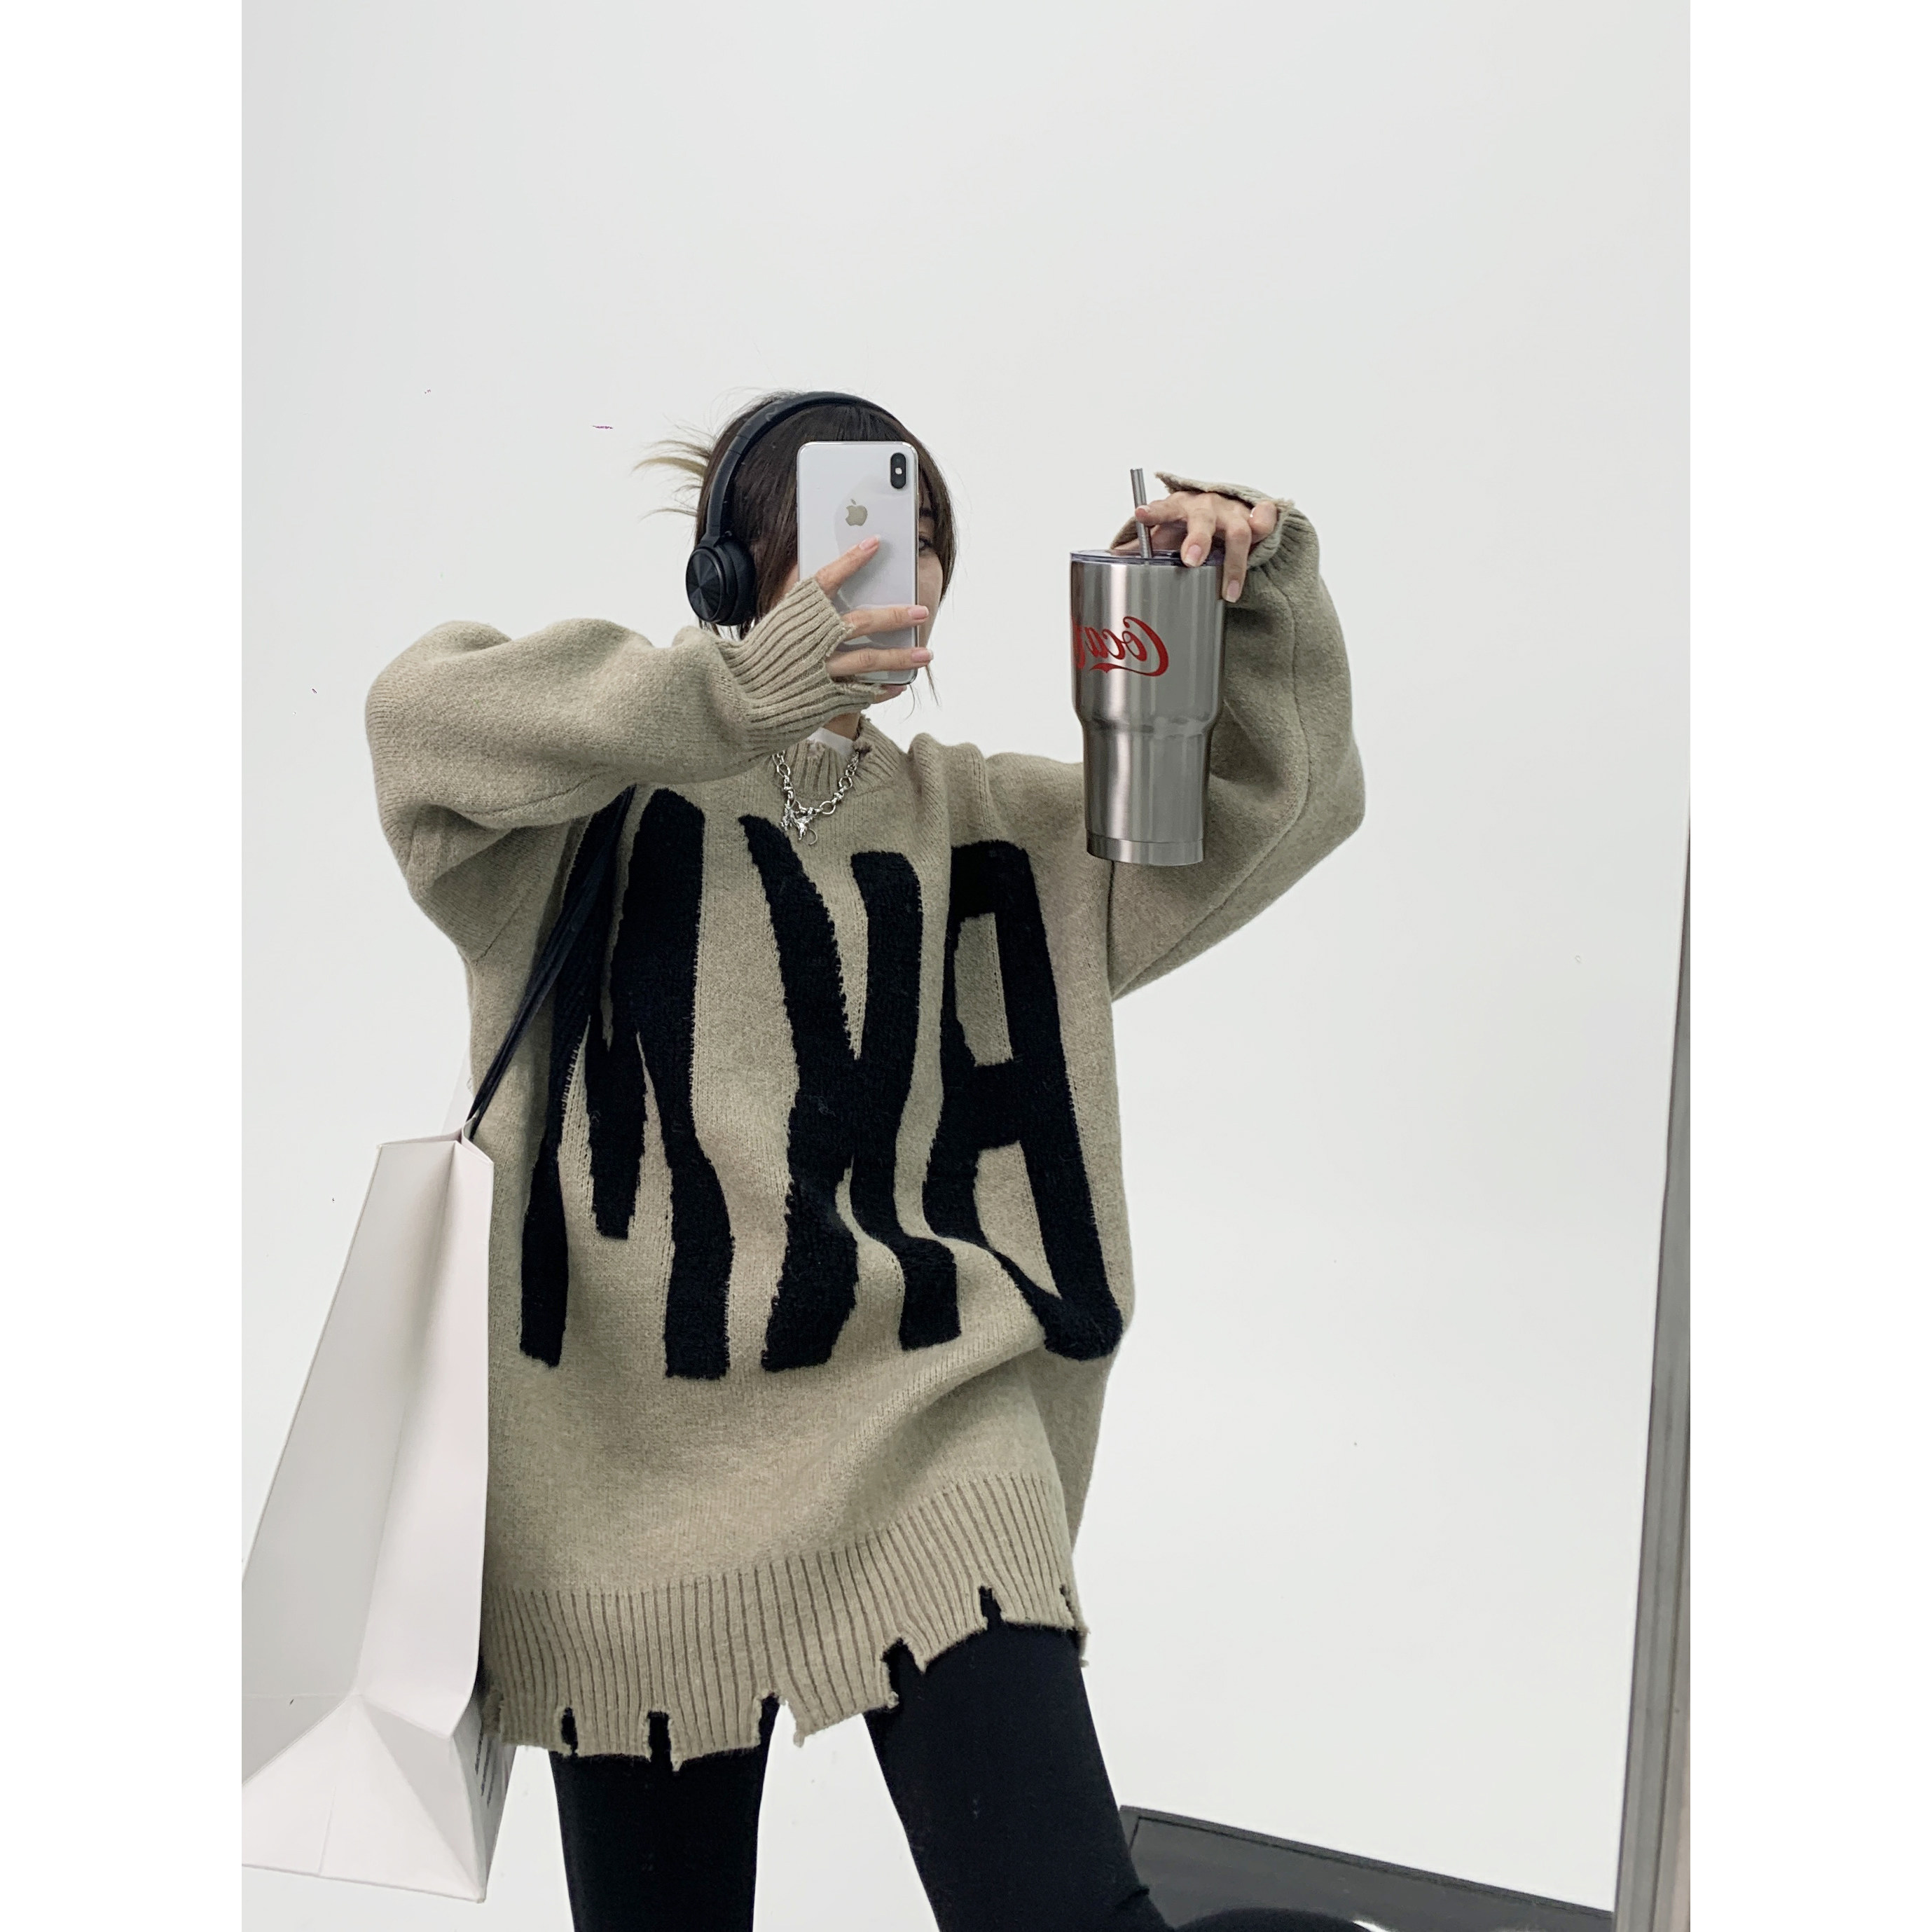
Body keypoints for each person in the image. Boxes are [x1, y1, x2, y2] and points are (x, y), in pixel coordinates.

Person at [366, 392, 1366, 1932]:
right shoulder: (573, 821)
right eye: (842, 526)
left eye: (918, 531)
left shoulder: (991, 825)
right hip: (625, 1485)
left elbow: (1279, 808)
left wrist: (1247, 594)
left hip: (931, 1441)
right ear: (728, 571)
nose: (895, 564)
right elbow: (418, 723)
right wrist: (732, 695)